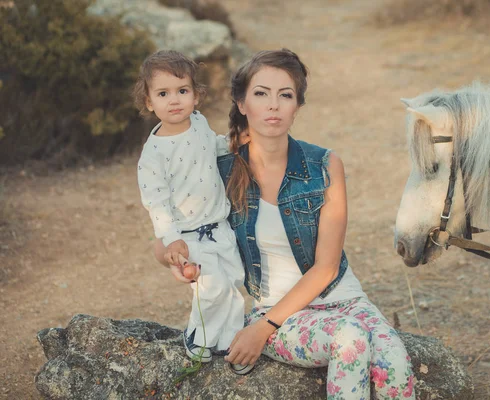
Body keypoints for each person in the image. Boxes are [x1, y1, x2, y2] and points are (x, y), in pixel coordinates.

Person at [156, 48, 415, 399]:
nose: (273, 105)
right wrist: (175, 257)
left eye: (285, 95)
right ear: (243, 103)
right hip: (280, 315)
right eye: (261, 94)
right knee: (351, 339)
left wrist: (262, 329)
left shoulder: (324, 165)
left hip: (346, 303)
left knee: (395, 366)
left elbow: (326, 268)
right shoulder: (220, 170)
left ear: (297, 106)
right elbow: (168, 234)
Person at [134, 50, 251, 375]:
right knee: (210, 287)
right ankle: (197, 337)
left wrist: (233, 141)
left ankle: (230, 341)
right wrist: (171, 240)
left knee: (232, 283)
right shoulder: (154, 154)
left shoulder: (198, 123)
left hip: (219, 225)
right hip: (190, 235)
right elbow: (156, 202)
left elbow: (210, 147)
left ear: (196, 95)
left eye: (182, 91)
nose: (174, 100)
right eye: (163, 93)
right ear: (149, 101)